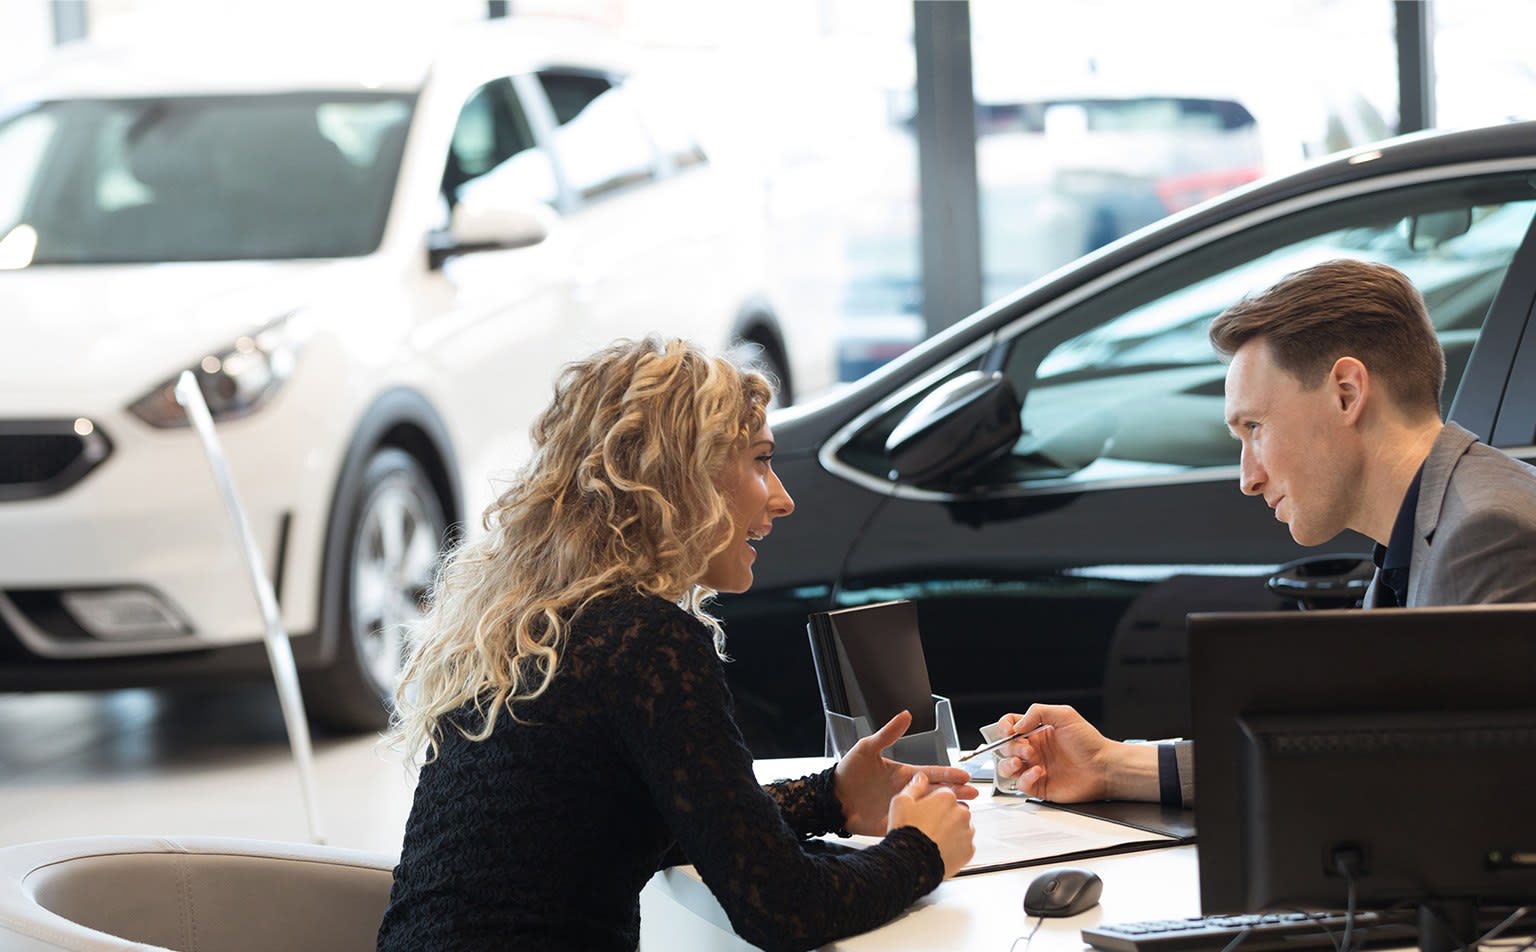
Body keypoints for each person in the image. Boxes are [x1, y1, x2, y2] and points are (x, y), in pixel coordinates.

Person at [375, 337, 976, 952]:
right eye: (760, 461)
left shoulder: (527, 624)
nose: (783, 498)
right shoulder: (644, 639)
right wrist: (921, 849)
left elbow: (658, 820)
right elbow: (787, 909)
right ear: (681, 477)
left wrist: (831, 797)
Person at [991, 258, 1536, 807]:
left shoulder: (1488, 533)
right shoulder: (1433, 527)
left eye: (1255, 427)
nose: (1249, 479)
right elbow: (1333, 741)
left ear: (1347, 392)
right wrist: (1110, 764)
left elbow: (1451, 800)